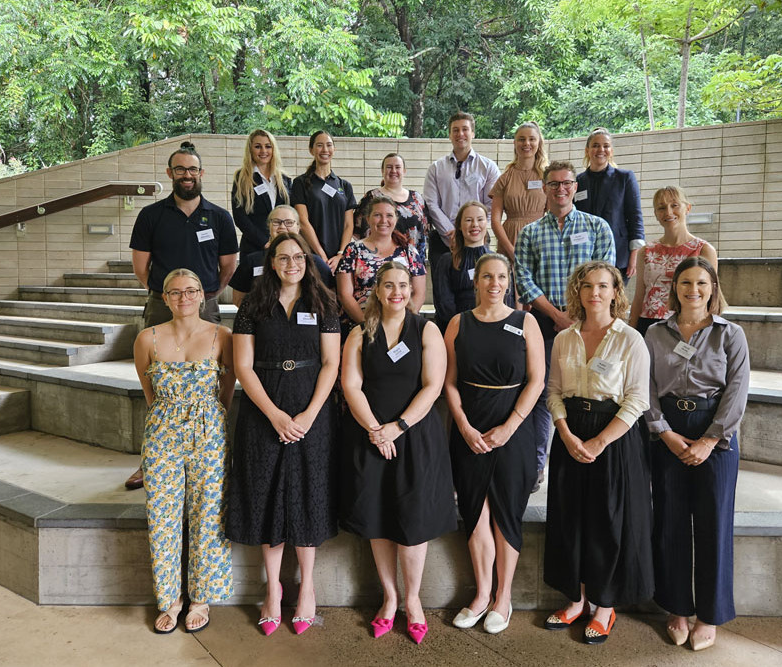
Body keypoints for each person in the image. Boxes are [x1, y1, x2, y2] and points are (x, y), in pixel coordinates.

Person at [226, 232, 341, 637]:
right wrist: (275, 415)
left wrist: (309, 415)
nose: (291, 263)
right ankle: (272, 589)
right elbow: (243, 367)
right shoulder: (251, 306)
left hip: (312, 409)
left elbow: (331, 363)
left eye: (298, 257)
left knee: (308, 492)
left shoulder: (323, 302)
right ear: (270, 262)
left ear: (307, 261)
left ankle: (306, 587)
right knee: (267, 492)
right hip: (263, 411)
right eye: (283, 257)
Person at [340, 261, 456, 645]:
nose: (396, 293)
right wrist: (375, 429)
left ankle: (414, 600)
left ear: (412, 290)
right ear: (377, 290)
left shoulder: (427, 330)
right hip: (371, 438)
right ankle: (389, 599)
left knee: (412, 521)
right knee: (377, 519)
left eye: (403, 285)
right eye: (388, 286)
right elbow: (352, 386)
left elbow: (433, 385)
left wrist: (398, 427)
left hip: (414, 438)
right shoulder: (360, 332)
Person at [542, 260, 652, 645]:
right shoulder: (563, 339)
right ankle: (576, 600)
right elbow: (553, 391)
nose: (595, 293)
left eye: (603, 286)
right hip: (570, 432)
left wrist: (599, 441)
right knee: (571, 519)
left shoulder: (630, 339)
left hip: (614, 438)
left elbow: (637, 400)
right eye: (587, 286)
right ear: (578, 291)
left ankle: (604, 607)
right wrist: (567, 434)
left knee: (607, 521)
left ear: (616, 292)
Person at [645, 256, 749, 652]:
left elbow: (737, 390)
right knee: (670, 520)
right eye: (685, 283)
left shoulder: (730, 334)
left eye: (701, 283)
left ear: (712, 288)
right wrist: (665, 433)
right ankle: (677, 609)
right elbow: (646, 389)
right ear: (675, 288)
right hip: (669, 432)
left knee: (714, 523)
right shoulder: (655, 333)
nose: (693, 290)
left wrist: (709, 441)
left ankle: (709, 613)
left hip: (716, 434)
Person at [126, 140, 239, 490]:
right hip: (164, 304)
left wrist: (205, 295)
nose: (187, 175)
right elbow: (140, 266)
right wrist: (169, 294)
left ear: (201, 173)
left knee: (212, 376)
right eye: (180, 169)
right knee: (160, 382)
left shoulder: (219, 217)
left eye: (192, 169)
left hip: (205, 303)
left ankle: (212, 451)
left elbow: (229, 265)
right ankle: (152, 460)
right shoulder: (151, 216)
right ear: (169, 174)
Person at [444, 253, 545, 635]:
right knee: (476, 513)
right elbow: (449, 382)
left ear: (509, 281)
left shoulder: (526, 321)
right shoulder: (458, 324)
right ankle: (482, 593)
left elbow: (536, 380)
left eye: (501, 276)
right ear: (477, 281)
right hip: (470, 427)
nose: (495, 283)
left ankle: (504, 597)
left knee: (505, 513)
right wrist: (465, 427)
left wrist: (510, 426)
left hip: (513, 429)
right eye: (487, 276)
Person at [133, 268, 236, 634]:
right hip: (162, 433)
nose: (184, 298)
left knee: (208, 512)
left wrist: (206, 415)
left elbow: (226, 389)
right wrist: (172, 416)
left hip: (209, 432)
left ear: (203, 295)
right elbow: (151, 394)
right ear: (165, 298)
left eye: (191, 291)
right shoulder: (147, 338)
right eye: (175, 293)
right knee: (163, 515)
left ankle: (201, 597)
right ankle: (170, 599)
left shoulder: (222, 336)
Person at [514, 160, 615, 492]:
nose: (560, 189)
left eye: (566, 183)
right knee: (543, 392)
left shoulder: (598, 227)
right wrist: (557, 316)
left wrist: (579, 316)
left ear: (575, 187)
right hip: (544, 322)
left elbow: (606, 277)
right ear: (544, 188)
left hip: (590, 322)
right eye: (554, 184)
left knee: (588, 388)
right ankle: (538, 464)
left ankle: (586, 453)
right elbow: (524, 279)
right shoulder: (530, 233)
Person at [629, 186, 718, 336]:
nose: (668, 212)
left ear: (687, 208)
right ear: (656, 214)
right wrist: (630, 331)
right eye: (661, 208)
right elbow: (639, 296)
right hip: (648, 323)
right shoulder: (646, 251)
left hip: (686, 324)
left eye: (674, 205)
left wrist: (708, 333)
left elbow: (712, 296)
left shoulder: (704, 250)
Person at [337, 196, 426, 336]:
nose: (384, 221)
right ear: (368, 219)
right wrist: (367, 326)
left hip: (401, 328)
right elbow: (344, 294)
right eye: (377, 215)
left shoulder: (409, 251)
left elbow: (418, 294)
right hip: (361, 326)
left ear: (396, 219)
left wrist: (402, 324)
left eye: (389, 215)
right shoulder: (353, 250)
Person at [423, 111, 501, 268]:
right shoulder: (436, 168)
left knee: (477, 287)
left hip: (477, 237)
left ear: (473, 133)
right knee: (441, 289)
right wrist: (452, 232)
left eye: (465, 129)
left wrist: (470, 229)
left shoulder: (488, 167)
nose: (460, 134)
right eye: (455, 130)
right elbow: (431, 204)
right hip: (443, 239)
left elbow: (491, 204)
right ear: (450, 135)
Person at [574, 128, 645, 282]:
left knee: (612, 302)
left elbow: (635, 218)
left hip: (618, 256)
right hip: (584, 255)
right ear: (587, 150)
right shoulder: (577, 182)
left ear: (611, 151)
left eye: (606, 146)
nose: (601, 150)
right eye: (595, 145)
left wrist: (635, 254)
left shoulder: (625, 178)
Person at [229, 206, 333, 306]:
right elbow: (238, 299)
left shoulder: (316, 262)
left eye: (289, 222)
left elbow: (331, 295)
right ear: (269, 226)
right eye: (276, 222)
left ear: (298, 227)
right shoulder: (251, 261)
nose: (282, 227)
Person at [291, 130, 357, 270]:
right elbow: (302, 221)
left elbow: (348, 225)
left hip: (339, 258)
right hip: (312, 255)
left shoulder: (344, 186)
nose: (325, 150)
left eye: (329, 145)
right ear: (311, 150)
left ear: (334, 149)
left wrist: (341, 254)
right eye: (319, 145)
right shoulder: (300, 183)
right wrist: (321, 255)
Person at [231, 129, 292, 262]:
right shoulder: (241, 178)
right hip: (254, 247)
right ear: (250, 150)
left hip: (283, 247)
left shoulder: (284, 179)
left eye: (268, 146)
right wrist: (264, 242)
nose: (263, 151)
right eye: (258, 146)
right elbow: (240, 216)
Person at [491, 122, 548, 261]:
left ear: (539, 142)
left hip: (540, 239)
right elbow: (495, 220)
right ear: (514, 143)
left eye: (532, 139)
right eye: (521, 139)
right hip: (510, 239)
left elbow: (554, 215)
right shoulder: (505, 178)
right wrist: (511, 250)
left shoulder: (547, 177)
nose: (526, 143)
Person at [357, 153, 429, 262]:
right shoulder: (371, 197)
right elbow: (357, 230)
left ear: (404, 171)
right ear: (382, 171)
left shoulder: (417, 198)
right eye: (389, 167)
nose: (393, 171)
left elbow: (425, 231)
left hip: (412, 261)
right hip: (378, 261)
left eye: (398, 167)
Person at [432, 201, 490, 330]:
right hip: (457, 327)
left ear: (486, 222)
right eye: (468, 220)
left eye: (480, 219)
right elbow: (443, 303)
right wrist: (461, 327)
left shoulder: (496, 261)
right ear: (459, 225)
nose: (475, 225)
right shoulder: (447, 261)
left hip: (491, 326)